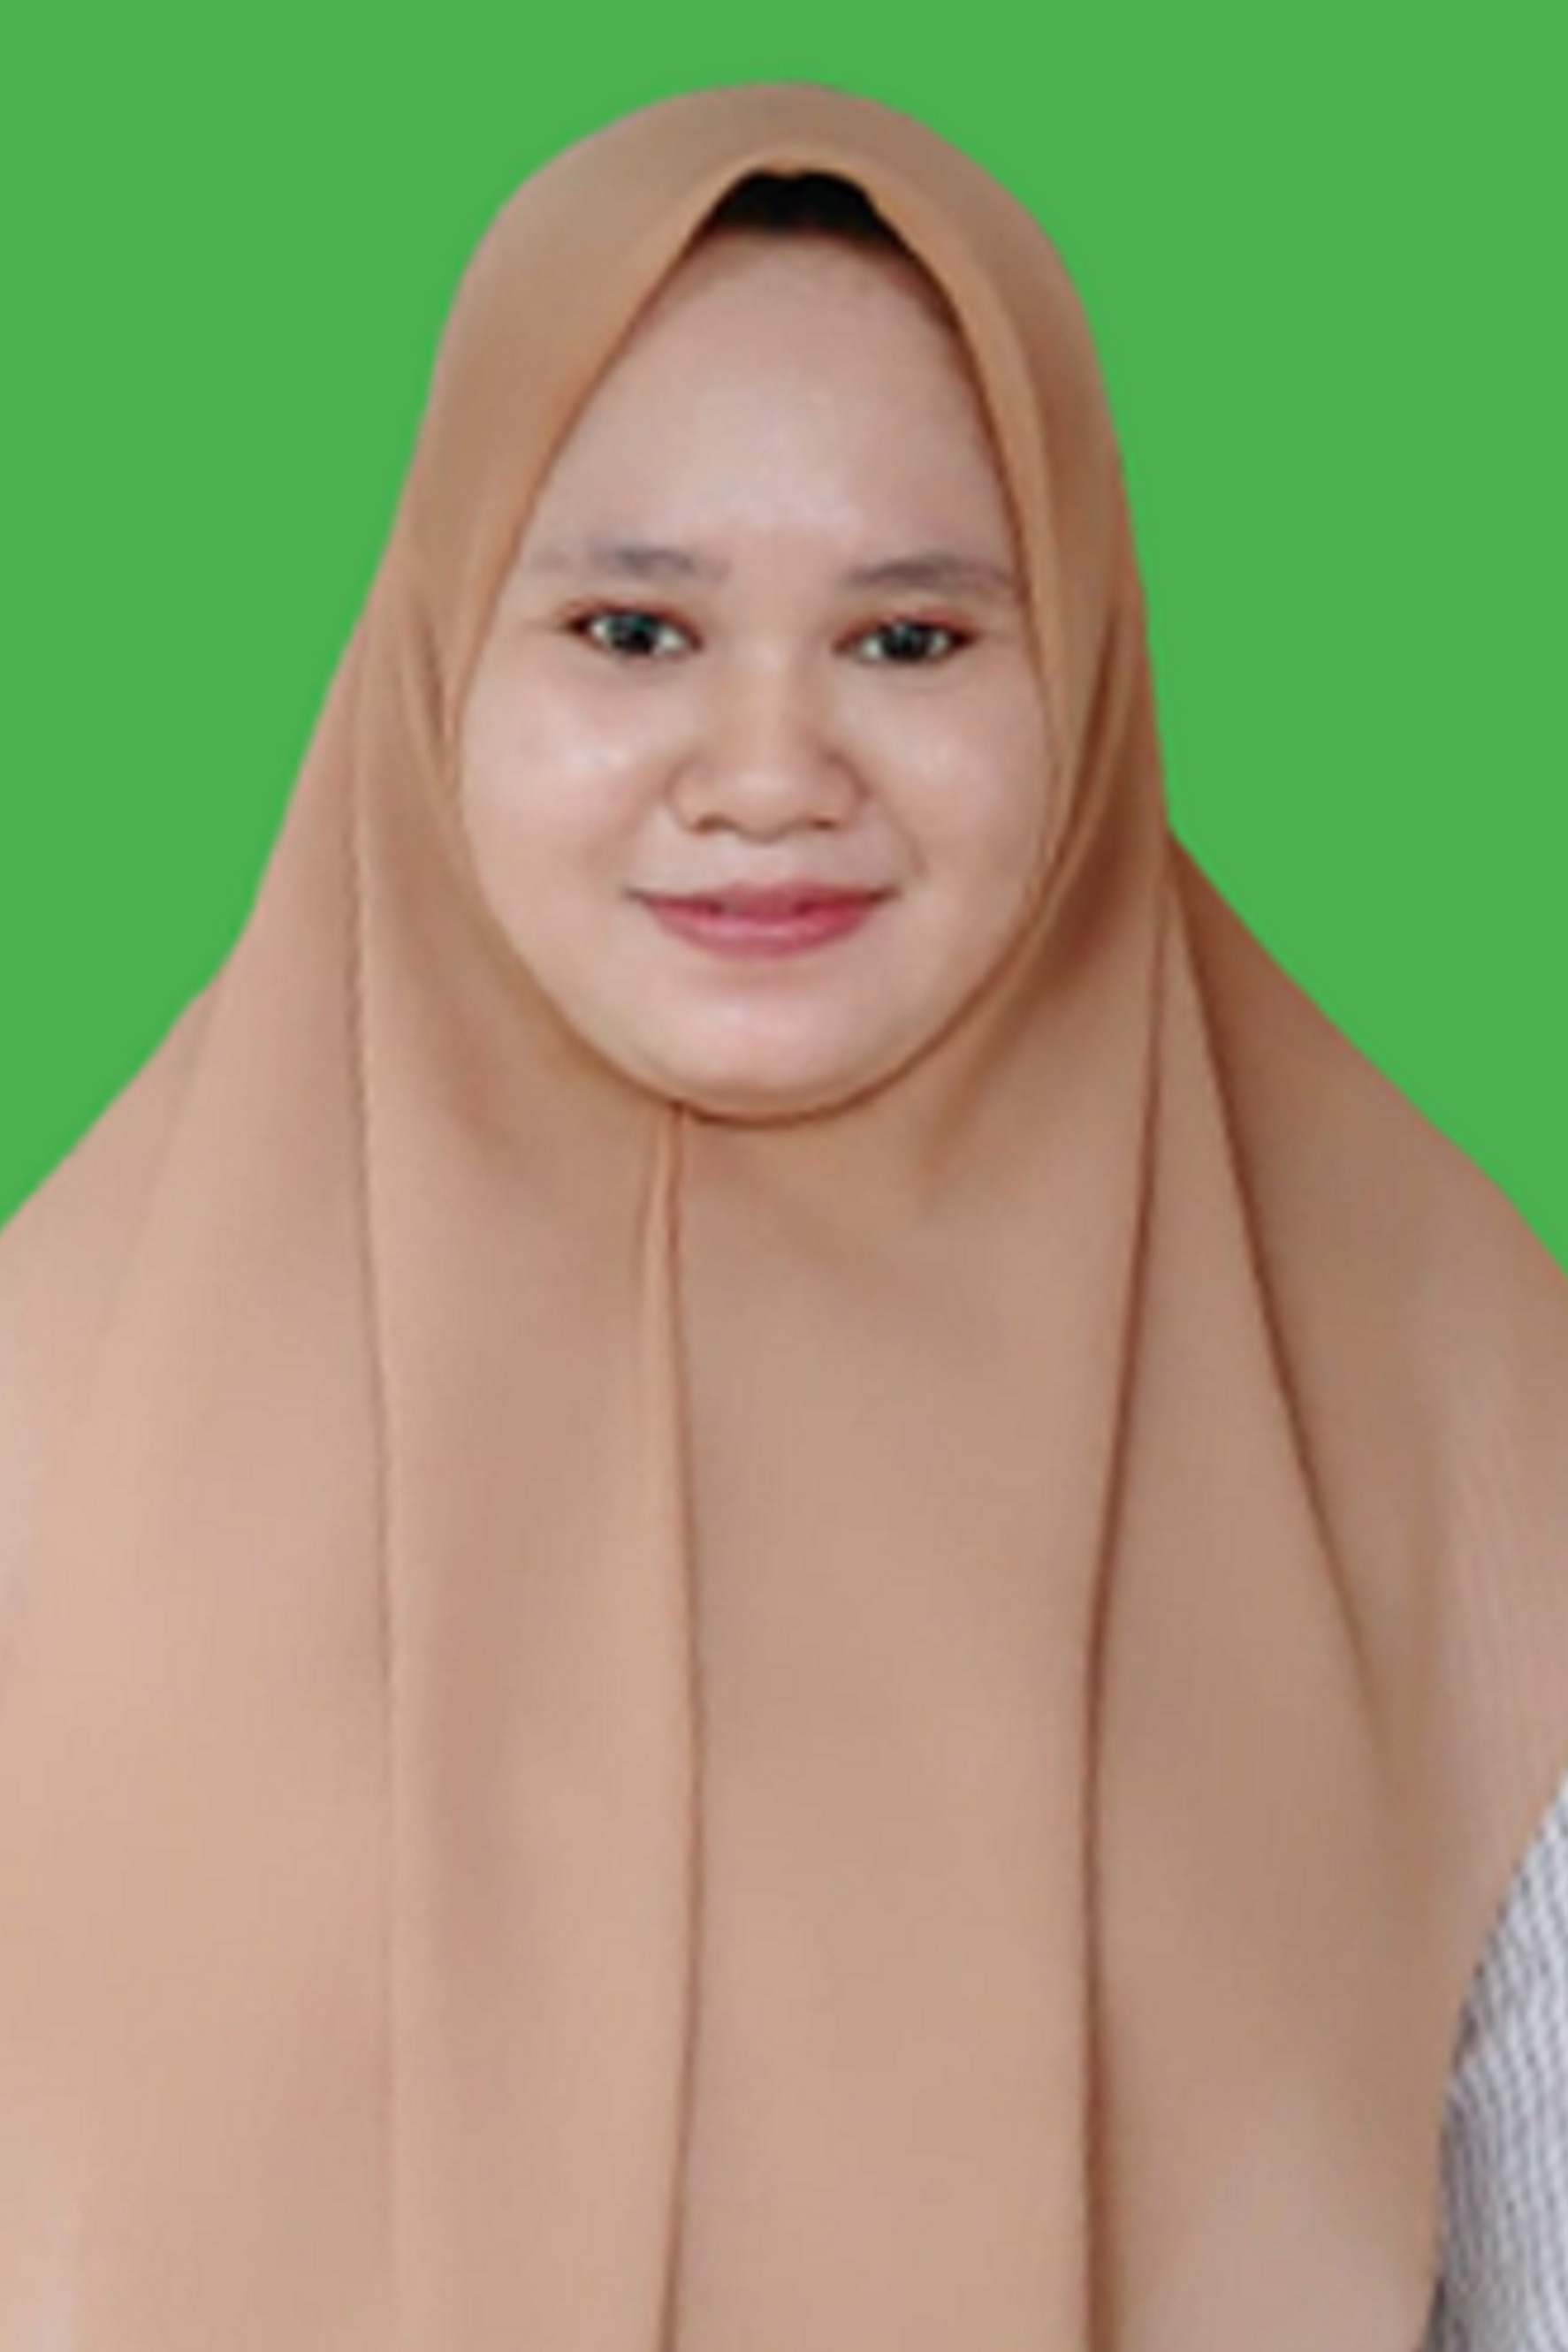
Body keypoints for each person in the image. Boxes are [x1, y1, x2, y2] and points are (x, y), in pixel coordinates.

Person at [0, 80, 1564, 2351]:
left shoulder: (1443, 1409)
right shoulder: (51, 1423)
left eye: (909, 640)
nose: (765, 771)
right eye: (631, 628)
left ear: (1082, 667)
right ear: (441, 654)